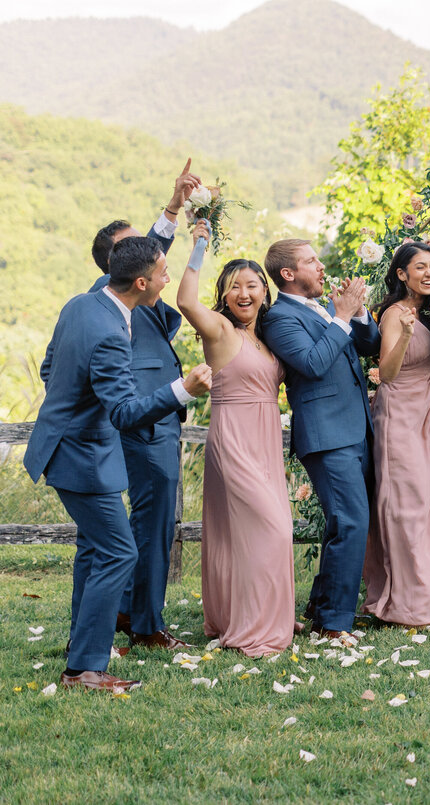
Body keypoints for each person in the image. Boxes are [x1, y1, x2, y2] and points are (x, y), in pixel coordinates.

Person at [25, 236, 211, 691]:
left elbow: (51, 369)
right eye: (165, 273)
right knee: (119, 551)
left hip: (70, 444)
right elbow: (124, 412)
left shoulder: (81, 304)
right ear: (143, 282)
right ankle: (83, 670)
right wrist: (183, 390)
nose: (169, 279)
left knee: (96, 548)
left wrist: (74, 404)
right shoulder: (110, 333)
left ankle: (80, 647)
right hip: (82, 455)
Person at [84, 159, 202, 649]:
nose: (150, 253)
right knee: (151, 525)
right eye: (137, 248)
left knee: (152, 522)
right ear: (120, 264)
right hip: (144, 424)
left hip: (159, 422)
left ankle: (129, 613)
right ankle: (147, 626)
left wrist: (176, 205)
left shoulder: (136, 298)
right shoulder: (103, 295)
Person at [176, 226, 297, 657]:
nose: (243, 293)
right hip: (234, 441)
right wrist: (200, 246)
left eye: (251, 285)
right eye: (234, 288)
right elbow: (186, 301)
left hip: (265, 442)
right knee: (273, 531)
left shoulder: (264, 337)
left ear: (265, 290)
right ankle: (255, 627)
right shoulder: (222, 332)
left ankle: (263, 612)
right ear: (224, 296)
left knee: (242, 536)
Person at [261, 239, 380, 640]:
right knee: (351, 521)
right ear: (289, 274)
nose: (321, 266)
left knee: (342, 525)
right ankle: (334, 624)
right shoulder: (278, 318)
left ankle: (322, 607)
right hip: (326, 434)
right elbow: (312, 364)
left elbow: (371, 346)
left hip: (357, 427)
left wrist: (358, 313)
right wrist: (341, 317)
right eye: (311, 261)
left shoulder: (330, 310)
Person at [363, 242, 430, 628]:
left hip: (428, 410)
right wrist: (405, 334)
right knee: (407, 502)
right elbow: (387, 373)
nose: (429, 274)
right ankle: (406, 598)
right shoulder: (394, 314)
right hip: (399, 413)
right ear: (401, 274)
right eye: (420, 267)